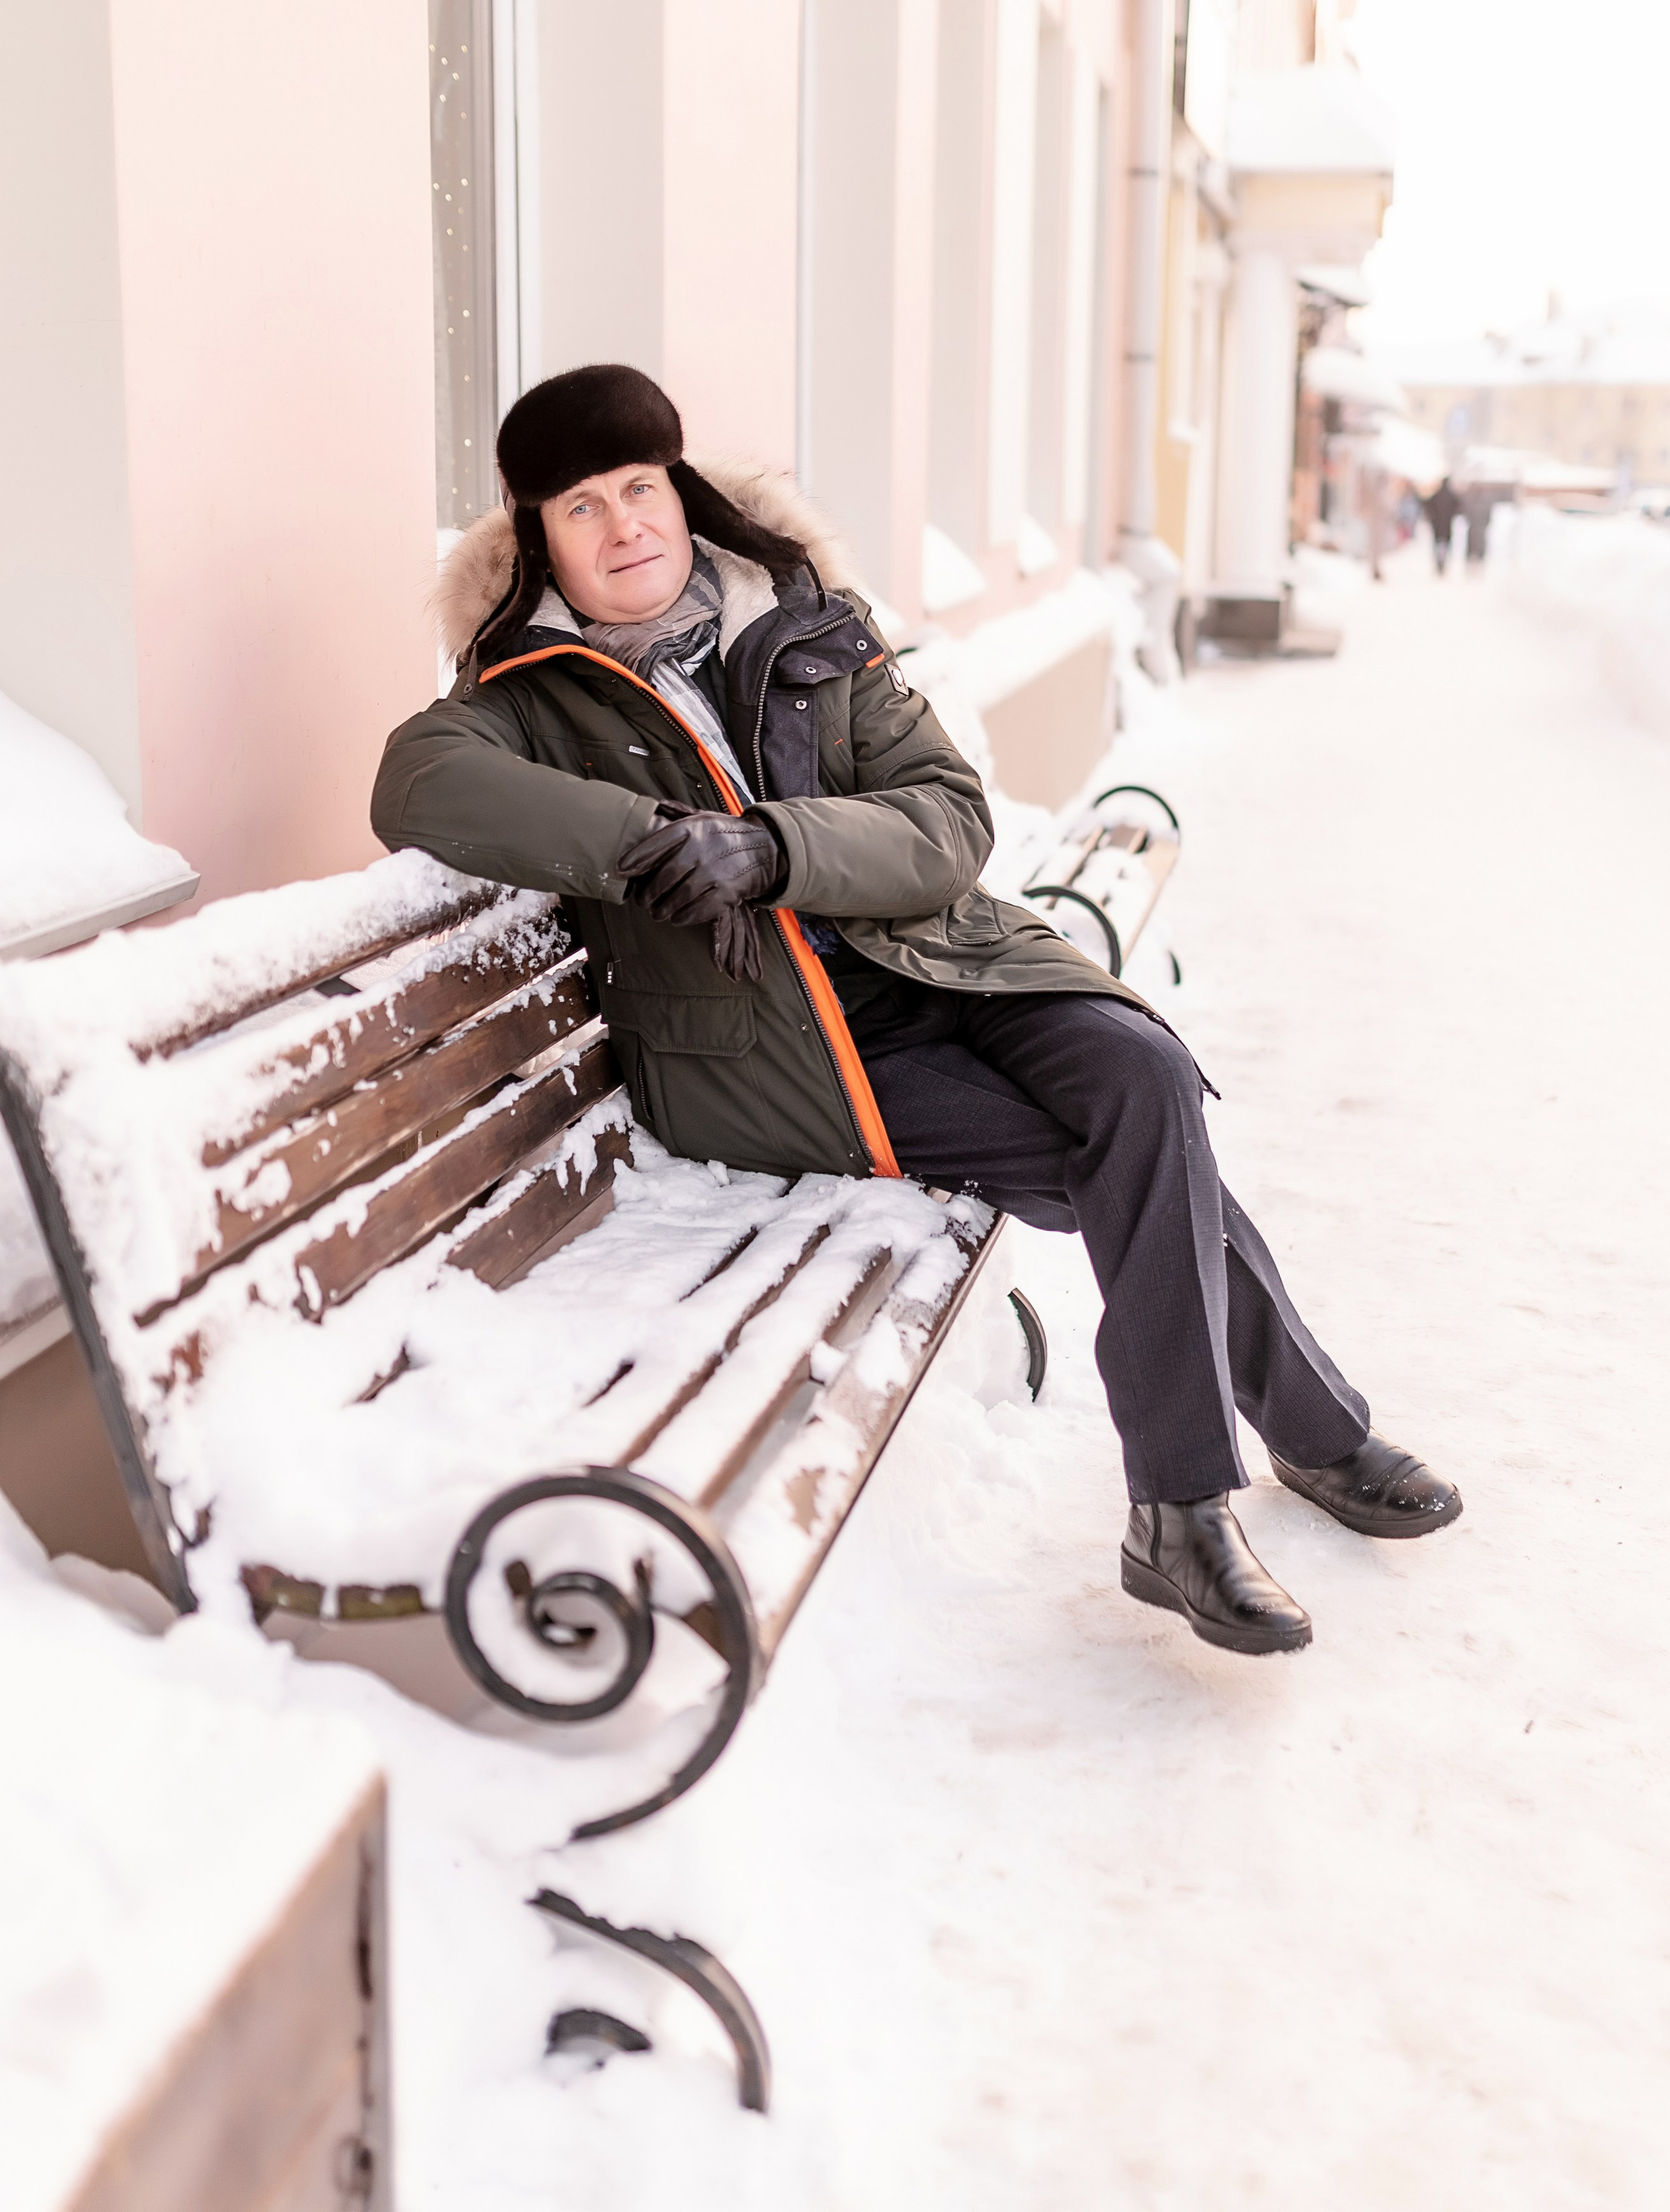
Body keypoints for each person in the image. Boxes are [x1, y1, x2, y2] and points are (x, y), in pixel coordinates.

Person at [372, 366, 1461, 1657]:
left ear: (683, 491)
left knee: (1142, 1084)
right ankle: (1224, 1483)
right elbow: (414, 783)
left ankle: (1232, 1479)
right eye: (583, 509)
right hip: (781, 1056)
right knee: (1120, 1160)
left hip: (947, 965)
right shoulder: (528, 696)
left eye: (641, 489)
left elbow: (947, 818)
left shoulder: (802, 623)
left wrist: (772, 850)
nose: (625, 529)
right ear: (536, 540)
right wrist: (666, 842)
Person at [1421, 477, 1462, 574]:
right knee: (1445, 545)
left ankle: (1439, 564)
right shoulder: (1451, 496)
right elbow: (1458, 507)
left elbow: (1427, 504)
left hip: (1437, 525)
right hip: (1447, 525)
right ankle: (1443, 563)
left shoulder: (1437, 495)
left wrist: (1432, 516)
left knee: (1438, 544)